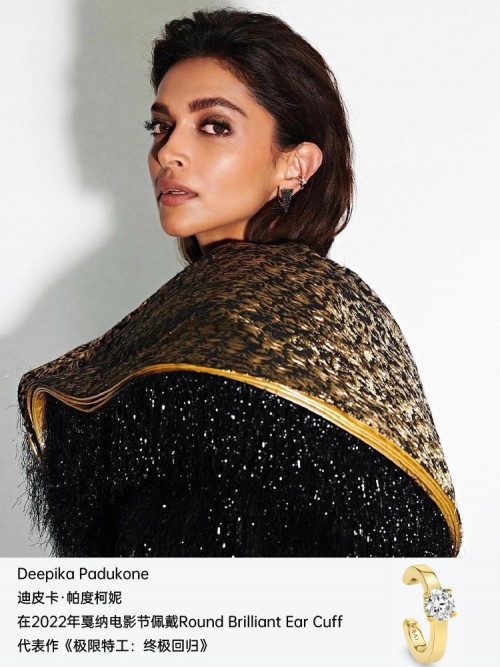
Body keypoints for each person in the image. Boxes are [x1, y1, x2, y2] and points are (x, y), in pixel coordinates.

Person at [17, 8, 461, 557]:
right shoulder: (170, 318)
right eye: (161, 126)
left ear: (295, 166)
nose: (167, 152)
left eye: (214, 126)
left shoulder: (325, 312)